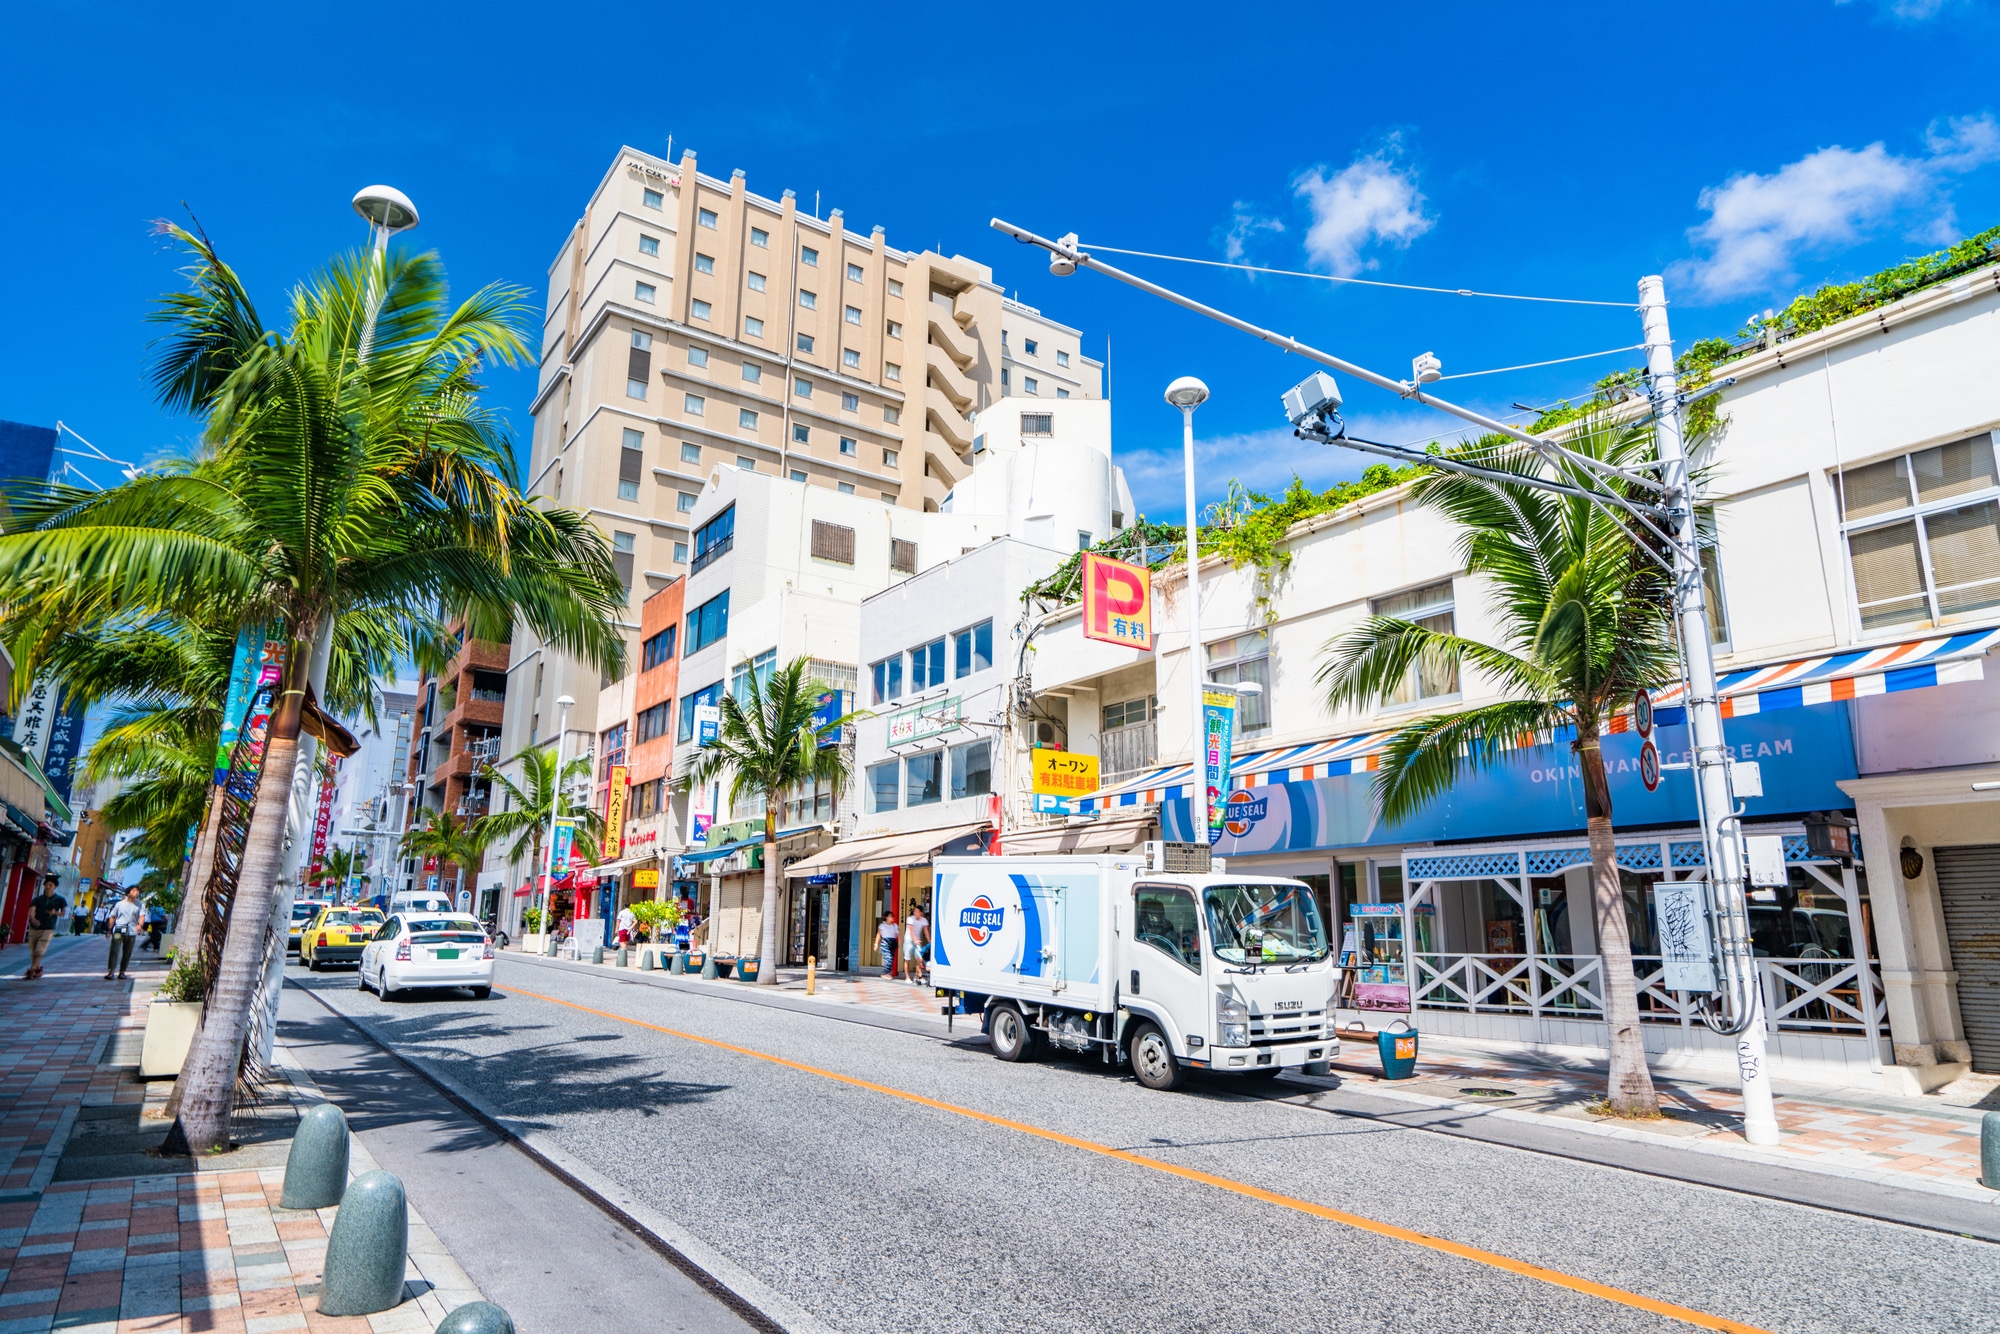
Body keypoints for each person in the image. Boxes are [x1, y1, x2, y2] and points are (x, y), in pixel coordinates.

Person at [26, 876, 67, 979]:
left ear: (55, 887)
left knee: (40, 949)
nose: (48, 887)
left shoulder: (60, 900)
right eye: (46, 885)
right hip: (35, 928)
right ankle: (37, 969)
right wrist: (33, 919)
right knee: (33, 950)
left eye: (51, 885)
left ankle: (32, 969)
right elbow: (31, 912)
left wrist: (55, 913)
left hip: (48, 928)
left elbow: (63, 913)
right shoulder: (37, 899)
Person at [105, 887, 143, 980]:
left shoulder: (140, 905)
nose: (136, 893)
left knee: (127, 952)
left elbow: (142, 916)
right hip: (119, 929)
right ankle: (111, 971)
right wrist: (109, 929)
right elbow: (113, 916)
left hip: (131, 931)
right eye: (134, 891)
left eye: (137, 891)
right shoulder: (120, 904)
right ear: (128, 893)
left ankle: (122, 971)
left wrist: (140, 925)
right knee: (114, 950)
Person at [905, 903, 930, 985]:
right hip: (909, 940)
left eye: (917, 911)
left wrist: (930, 942)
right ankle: (907, 977)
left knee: (920, 958)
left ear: (921, 913)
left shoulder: (924, 920)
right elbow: (911, 931)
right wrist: (915, 940)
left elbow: (926, 932)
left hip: (917, 941)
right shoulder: (910, 919)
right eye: (914, 911)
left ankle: (918, 976)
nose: (915, 913)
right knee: (907, 959)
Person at [876, 911, 900, 977]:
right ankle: (887, 973)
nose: (892, 917)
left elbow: (897, 935)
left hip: (892, 942)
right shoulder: (882, 925)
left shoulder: (895, 925)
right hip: (885, 942)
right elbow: (878, 934)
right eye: (890, 916)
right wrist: (876, 944)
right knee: (888, 958)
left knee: (891, 958)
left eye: (892, 916)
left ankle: (885, 972)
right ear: (886, 917)